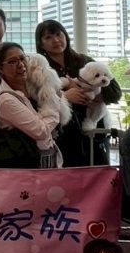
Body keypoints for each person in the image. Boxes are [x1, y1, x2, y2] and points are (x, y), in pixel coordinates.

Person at [0, 42, 58, 253]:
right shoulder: (6, 99)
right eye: (12, 62)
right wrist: (52, 112)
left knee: (37, 232)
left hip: (32, 172)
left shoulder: (23, 92)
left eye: (22, 59)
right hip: (20, 176)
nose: (20, 66)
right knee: (24, 235)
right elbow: (40, 130)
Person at [34, 20, 121, 167]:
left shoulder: (85, 61)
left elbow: (115, 92)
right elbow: (37, 101)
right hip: (62, 138)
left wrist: (88, 90)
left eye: (58, 34)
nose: (56, 40)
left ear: (65, 36)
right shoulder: (41, 71)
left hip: (93, 135)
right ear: (41, 44)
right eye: (48, 37)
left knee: (98, 175)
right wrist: (65, 97)